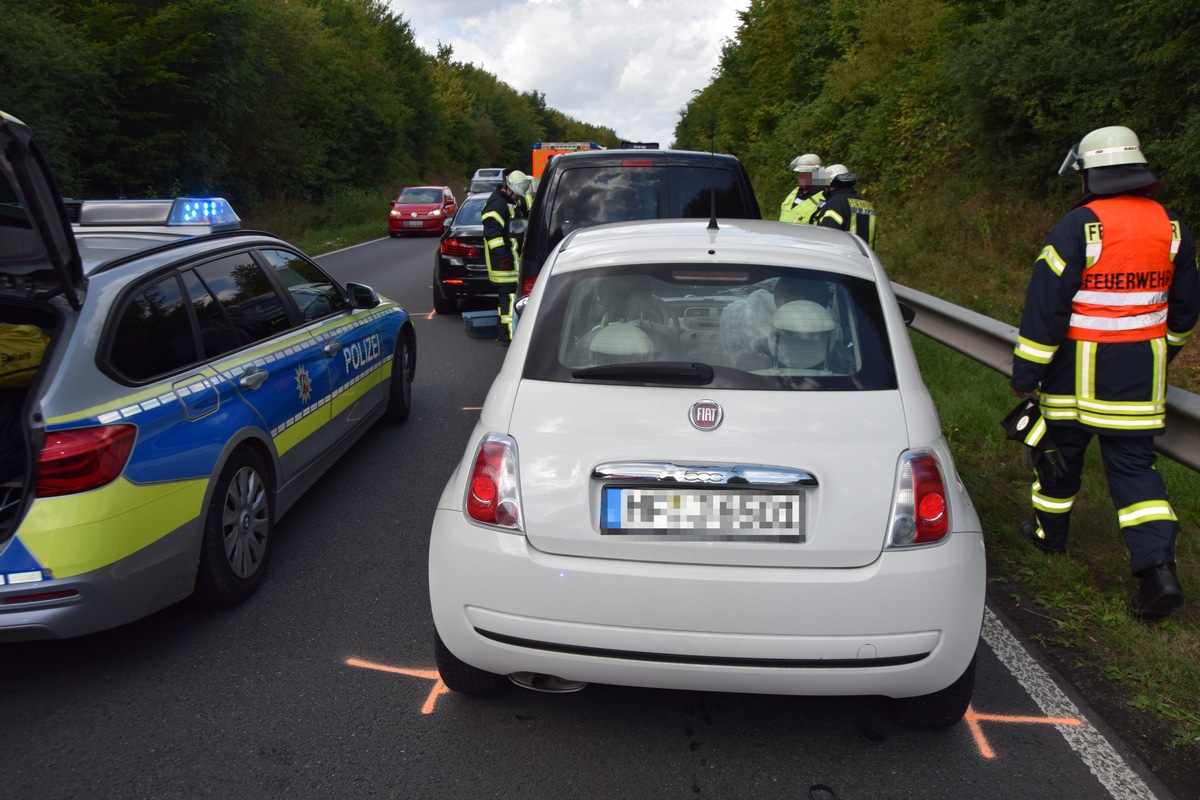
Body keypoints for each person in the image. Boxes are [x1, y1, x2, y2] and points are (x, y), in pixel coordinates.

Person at [1010, 125, 1200, 620]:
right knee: (1135, 472)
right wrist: (1164, 353)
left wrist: (1027, 370)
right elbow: (1183, 311)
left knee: (1058, 454)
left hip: (1073, 377)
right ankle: (1158, 573)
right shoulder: (1172, 226)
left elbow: (1046, 308)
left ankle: (1050, 539)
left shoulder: (1079, 226)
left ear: (1090, 174)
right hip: (1137, 378)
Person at [482, 168, 531, 343]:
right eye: (517, 195)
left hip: (509, 263)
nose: (518, 198)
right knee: (509, 301)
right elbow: (492, 236)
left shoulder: (508, 202)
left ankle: (505, 333)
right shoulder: (497, 205)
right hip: (503, 266)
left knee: (506, 301)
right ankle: (510, 337)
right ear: (508, 188)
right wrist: (503, 258)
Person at [815, 164, 877, 248]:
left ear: (830, 182)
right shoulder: (867, 204)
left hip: (844, 256)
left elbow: (826, 235)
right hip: (865, 259)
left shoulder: (836, 203)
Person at [779, 153, 825, 225]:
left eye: (805, 173)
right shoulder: (796, 191)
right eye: (799, 173)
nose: (800, 177)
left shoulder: (823, 197)